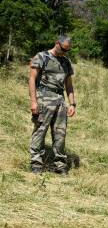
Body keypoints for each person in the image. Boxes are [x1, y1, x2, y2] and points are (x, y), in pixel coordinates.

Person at [29, 36, 77, 174]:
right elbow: (32, 79)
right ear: (57, 43)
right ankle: (36, 163)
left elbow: (69, 85)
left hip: (60, 100)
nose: (64, 52)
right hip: (44, 98)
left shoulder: (66, 62)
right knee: (40, 130)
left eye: (67, 50)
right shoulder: (41, 56)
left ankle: (59, 165)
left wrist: (72, 103)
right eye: (63, 49)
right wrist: (33, 101)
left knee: (60, 134)